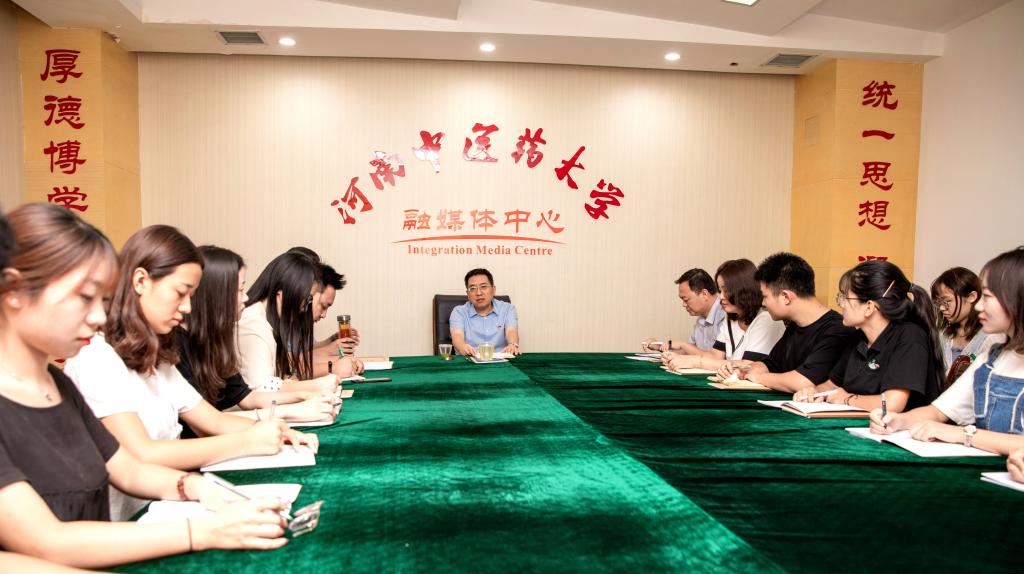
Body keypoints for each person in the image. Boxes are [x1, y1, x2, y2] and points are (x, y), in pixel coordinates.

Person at [0, 205, 288, 568]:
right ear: (14, 290)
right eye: (85, 297)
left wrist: (195, 486)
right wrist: (203, 531)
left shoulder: (56, 382)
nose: (99, 316)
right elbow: (46, 542)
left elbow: (128, 469)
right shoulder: (89, 361)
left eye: (102, 300)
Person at [64, 225, 318, 521]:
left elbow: (214, 420)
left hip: (163, 504)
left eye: (191, 295)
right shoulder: (96, 357)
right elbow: (143, 453)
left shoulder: (156, 354)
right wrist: (247, 440)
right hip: (122, 520)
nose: (187, 307)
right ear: (141, 281)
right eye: (180, 293)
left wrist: (279, 430)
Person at [869, 247, 1024, 455]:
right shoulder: (994, 353)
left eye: (987, 296)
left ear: (1017, 298)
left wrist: (964, 434)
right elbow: (939, 411)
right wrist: (899, 420)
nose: (979, 307)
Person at [176, 246, 339, 435]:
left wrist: (304, 395)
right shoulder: (177, 346)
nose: (246, 297)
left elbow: (247, 397)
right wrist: (295, 409)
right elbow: (211, 423)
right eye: (239, 290)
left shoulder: (214, 340)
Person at [791, 260, 943, 412]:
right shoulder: (858, 337)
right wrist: (813, 392)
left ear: (869, 307)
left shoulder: (910, 337)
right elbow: (832, 385)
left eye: (845, 298)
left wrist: (847, 399)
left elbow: (892, 404)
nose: (841, 304)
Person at [725, 253, 856, 392]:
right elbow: (771, 364)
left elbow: (803, 382)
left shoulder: (838, 330)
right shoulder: (795, 325)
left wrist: (760, 377)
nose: (762, 303)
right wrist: (747, 369)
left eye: (765, 297)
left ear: (786, 297)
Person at [238, 251, 349, 392]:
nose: (305, 309)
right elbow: (262, 389)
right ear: (283, 294)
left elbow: (278, 377)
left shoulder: (268, 322)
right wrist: (317, 384)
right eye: (307, 300)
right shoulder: (253, 324)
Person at [664, 259, 785, 372]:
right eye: (720, 291)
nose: (721, 296)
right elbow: (714, 356)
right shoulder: (730, 318)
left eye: (726, 290)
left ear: (743, 289)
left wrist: (696, 362)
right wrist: (678, 357)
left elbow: (747, 366)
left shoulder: (767, 318)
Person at [931, 267, 999, 376]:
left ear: (972, 297)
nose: (942, 308)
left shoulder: (991, 338)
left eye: (947, 301)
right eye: (939, 302)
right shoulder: (942, 335)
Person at [643, 268, 725, 354]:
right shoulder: (701, 320)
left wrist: (683, 345)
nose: (684, 305)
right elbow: (688, 352)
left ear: (704, 294)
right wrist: (659, 347)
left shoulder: (726, 316)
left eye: (686, 299)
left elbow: (716, 358)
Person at [450, 268, 520, 356]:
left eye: (483, 287)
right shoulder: (459, 312)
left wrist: (512, 344)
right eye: (473, 288)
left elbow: (511, 331)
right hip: (470, 359)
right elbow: (457, 336)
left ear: (493, 290)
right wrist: (462, 346)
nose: (478, 293)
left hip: (501, 360)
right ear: (468, 294)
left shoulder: (508, 309)